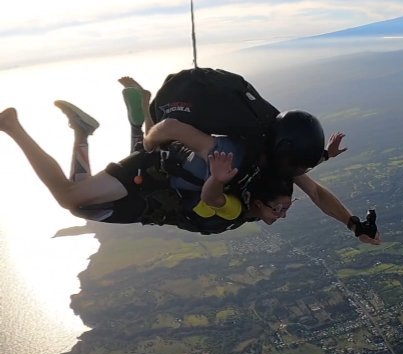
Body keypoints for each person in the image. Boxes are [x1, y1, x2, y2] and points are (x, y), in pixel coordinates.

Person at [0, 80, 380, 243]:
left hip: (160, 193)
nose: (284, 212)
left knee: (84, 209)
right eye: (280, 208)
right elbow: (172, 130)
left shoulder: (275, 170)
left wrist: (354, 223)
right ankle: (13, 127)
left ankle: (83, 132)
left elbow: (316, 192)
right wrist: (149, 138)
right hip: (151, 175)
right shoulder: (234, 155)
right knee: (69, 198)